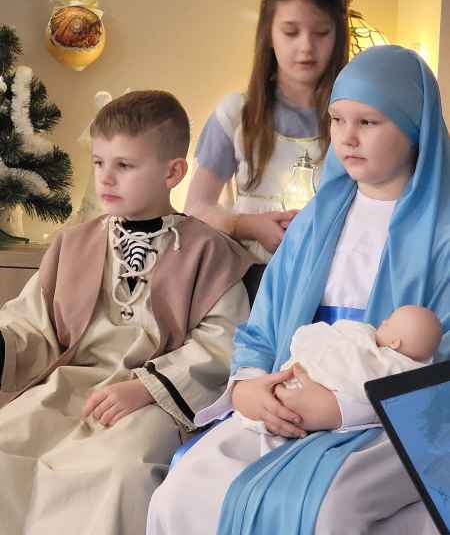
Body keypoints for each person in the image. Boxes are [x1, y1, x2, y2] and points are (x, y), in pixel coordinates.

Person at [148, 46, 450, 535]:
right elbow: (263, 328)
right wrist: (250, 388)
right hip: (287, 398)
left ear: (415, 127)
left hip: (386, 422)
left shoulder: (443, 233)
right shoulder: (313, 222)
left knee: (325, 509)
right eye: (337, 119)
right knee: (183, 491)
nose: (347, 137)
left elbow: (440, 362)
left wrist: (341, 405)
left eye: (368, 122)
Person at [0, 90, 255, 535]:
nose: (106, 178)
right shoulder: (73, 244)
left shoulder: (211, 253)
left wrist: (145, 388)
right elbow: (32, 324)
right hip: (68, 388)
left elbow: (223, 345)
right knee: (7, 446)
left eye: (125, 165)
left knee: (120, 471)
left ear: (172, 172)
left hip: (151, 401)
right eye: (99, 162)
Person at [184, 0, 349, 264]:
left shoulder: (356, 120)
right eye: (290, 32)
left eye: (321, 32)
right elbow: (196, 209)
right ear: (268, 33)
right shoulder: (236, 115)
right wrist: (248, 226)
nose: (306, 46)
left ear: (338, 35)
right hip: (249, 278)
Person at [239, 305, 442, 435]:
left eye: (389, 323)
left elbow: (367, 381)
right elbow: (258, 337)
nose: (383, 321)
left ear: (395, 343)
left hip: (357, 431)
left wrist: (338, 410)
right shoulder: (365, 336)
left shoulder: (393, 366)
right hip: (269, 386)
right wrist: (244, 388)